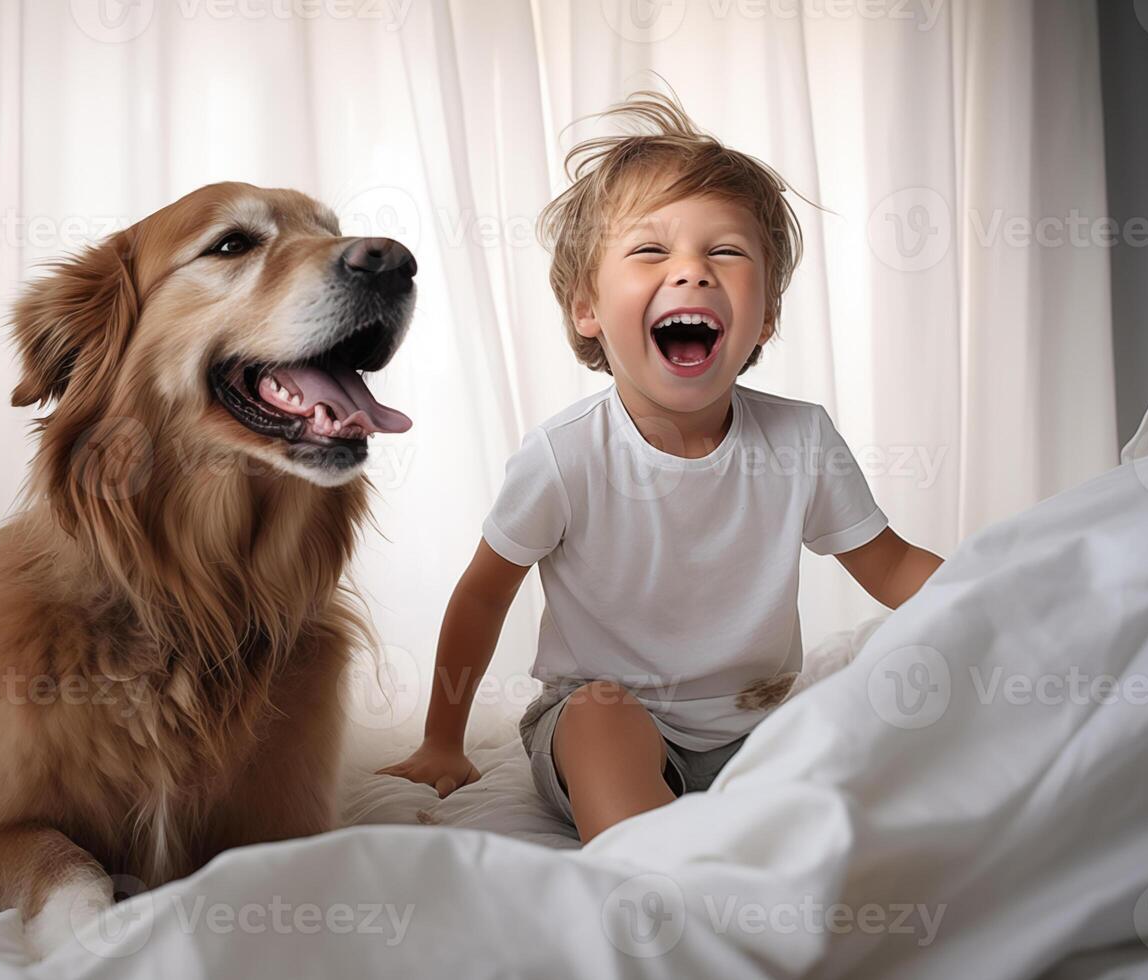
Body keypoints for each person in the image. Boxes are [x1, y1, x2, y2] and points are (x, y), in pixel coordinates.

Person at [376, 90, 944, 843]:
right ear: (587, 308)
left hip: (759, 727)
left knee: (870, 716)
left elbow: (894, 566)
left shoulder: (800, 440)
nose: (694, 273)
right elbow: (483, 597)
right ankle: (658, 874)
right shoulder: (566, 454)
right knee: (601, 718)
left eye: (727, 253)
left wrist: (1010, 595)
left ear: (766, 314)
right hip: (605, 722)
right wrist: (442, 740)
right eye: (651, 251)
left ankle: (787, 845)